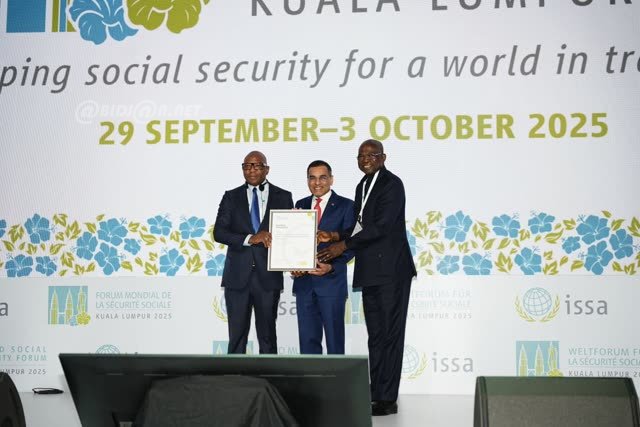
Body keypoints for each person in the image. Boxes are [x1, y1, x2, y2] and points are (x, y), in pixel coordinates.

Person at [317, 139, 417, 416]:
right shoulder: (363, 185)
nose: (366, 159)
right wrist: (335, 235)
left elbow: (381, 227)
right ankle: (376, 392)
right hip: (371, 270)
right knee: (376, 336)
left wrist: (342, 246)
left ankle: (388, 399)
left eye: (372, 155)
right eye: (361, 156)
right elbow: (360, 225)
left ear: (383, 157)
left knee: (390, 335)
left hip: (392, 271)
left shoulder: (392, 184)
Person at [213, 151, 293, 354]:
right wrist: (250, 238)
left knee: (267, 337)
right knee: (236, 336)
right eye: (247, 166)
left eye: (257, 165)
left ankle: (269, 374)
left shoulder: (284, 196)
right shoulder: (231, 197)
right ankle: (235, 374)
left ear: (267, 169)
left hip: (268, 277)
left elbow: (289, 235)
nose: (252, 170)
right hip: (237, 276)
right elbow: (219, 233)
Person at [291, 160, 354, 354]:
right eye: (312, 178)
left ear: (331, 180)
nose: (317, 183)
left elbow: (353, 243)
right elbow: (293, 242)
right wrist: (293, 263)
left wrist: (332, 266)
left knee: (335, 344)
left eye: (323, 177)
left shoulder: (347, 206)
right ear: (307, 180)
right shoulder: (300, 205)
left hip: (331, 284)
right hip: (304, 284)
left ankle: (337, 377)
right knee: (307, 345)